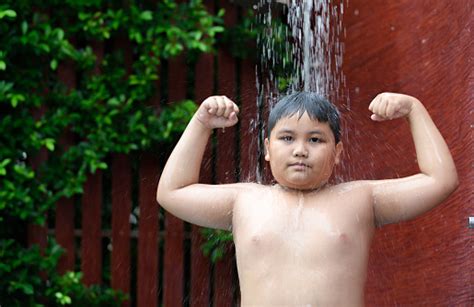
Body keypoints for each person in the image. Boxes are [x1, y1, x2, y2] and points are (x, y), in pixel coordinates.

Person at [156, 91, 458, 306]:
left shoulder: (360, 199)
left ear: (337, 153)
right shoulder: (244, 200)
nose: (300, 149)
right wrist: (200, 124)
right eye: (287, 138)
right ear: (267, 149)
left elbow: (440, 181)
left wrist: (414, 110)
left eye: (315, 139)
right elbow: (173, 192)